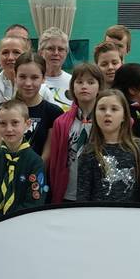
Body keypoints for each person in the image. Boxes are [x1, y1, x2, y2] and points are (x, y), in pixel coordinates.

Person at [0, 99, 48, 224]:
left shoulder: (35, 163)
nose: (9, 129)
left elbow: (34, 201)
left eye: (15, 123)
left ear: (27, 124)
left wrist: (10, 225)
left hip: (19, 228)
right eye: (3, 123)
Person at [46, 61, 103, 204]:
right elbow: (55, 162)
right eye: (79, 82)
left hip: (99, 192)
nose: (84, 86)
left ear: (100, 87)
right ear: (72, 87)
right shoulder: (61, 123)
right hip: (68, 192)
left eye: (91, 82)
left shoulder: (107, 120)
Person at [76, 88, 140, 203]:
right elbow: (83, 195)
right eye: (102, 109)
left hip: (132, 216)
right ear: (95, 114)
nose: (107, 113)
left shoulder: (139, 148)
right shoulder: (88, 152)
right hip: (98, 217)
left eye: (114, 109)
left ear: (124, 116)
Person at [0, 53, 61, 155]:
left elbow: (47, 157)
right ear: (15, 77)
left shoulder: (54, 113)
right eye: (22, 77)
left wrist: (35, 170)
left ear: (43, 78)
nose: (28, 83)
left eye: (34, 77)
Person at [37, 27, 74, 108]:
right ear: (40, 52)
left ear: (66, 53)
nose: (56, 53)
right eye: (50, 48)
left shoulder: (73, 82)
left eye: (61, 49)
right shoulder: (32, 82)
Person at [0, 33, 29, 107]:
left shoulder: (39, 89)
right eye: (5, 52)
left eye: (16, 52)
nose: (10, 57)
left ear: (26, 55)